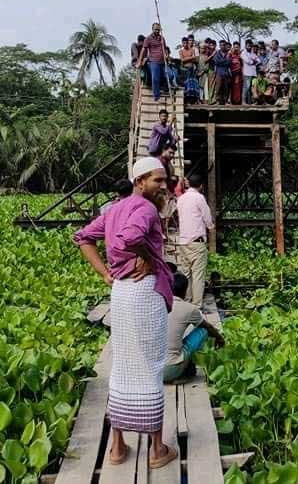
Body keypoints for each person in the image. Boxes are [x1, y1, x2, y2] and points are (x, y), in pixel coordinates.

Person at [72, 156, 176, 469]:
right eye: (157, 180)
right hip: (144, 291)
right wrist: (148, 255)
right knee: (151, 364)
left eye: (164, 180)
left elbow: (83, 237)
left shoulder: (115, 208)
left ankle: (117, 446)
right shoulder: (145, 209)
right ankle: (157, 450)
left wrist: (105, 274)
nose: (163, 186)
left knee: (124, 364)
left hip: (121, 292)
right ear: (140, 181)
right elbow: (131, 237)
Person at [163, 273, 225, 384]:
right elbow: (208, 327)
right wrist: (220, 338)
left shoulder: (157, 304)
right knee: (203, 330)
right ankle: (184, 371)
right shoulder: (189, 308)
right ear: (186, 290)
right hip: (171, 370)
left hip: (151, 372)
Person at [177, 174, 213, 307]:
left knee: (186, 273)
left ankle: (186, 301)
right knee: (198, 274)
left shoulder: (181, 198)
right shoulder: (199, 198)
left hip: (183, 241)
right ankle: (197, 305)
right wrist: (210, 226)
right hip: (196, 242)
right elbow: (207, 215)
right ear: (201, 186)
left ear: (188, 184)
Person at [138, 23, 167, 101]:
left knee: (169, 75)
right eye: (156, 29)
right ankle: (156, 95)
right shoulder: (148, 39)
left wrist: (166, 56)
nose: (157, 31)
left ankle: (165, 89)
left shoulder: (162, 38)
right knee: (155, 78)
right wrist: (140, 61)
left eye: (158, 29)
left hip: (163, 62)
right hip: (153, 61)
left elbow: (165, 49)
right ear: (152, 29)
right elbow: (143, 50)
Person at [212, 40, 231, 105]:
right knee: (218, 87)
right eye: (221, 45)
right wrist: (225, 61)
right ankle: (217, 100)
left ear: (225, 46)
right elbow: (217, 62)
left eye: (223, 45)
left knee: (226, 88)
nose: (222, 46)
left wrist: (222, 62)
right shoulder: (217, 53)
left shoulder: (228, 53)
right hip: (219, 73)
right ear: (219, 46)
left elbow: (229, 62)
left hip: (226, 73)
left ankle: (225, 101)